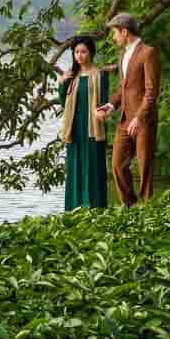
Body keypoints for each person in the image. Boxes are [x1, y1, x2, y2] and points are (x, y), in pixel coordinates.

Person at [96, 13, 160, 206]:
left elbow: (152, 92)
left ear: (125, 31)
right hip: (125, 119)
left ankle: (147, 207)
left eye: (115, 33)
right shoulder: (123, 54)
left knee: (144, 165)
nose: (114, 37)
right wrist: (110, 105)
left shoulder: (148, 52)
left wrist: (140, 118)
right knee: (117, 164)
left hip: (143, 119)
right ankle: (130, 205)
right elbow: (123, 88)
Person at [58, 35, 109, 210]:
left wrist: (101, 112)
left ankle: (95, 207)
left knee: (94, 169)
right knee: (76, 169)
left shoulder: (100, 74)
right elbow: (63, 103)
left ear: (91, 53)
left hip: (93, 128)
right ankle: (74, 208)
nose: (79, 55)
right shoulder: (72, 76)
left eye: (83, 51)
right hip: (75, 129)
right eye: (76, 52)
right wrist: (62, 84)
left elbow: (104, 102)